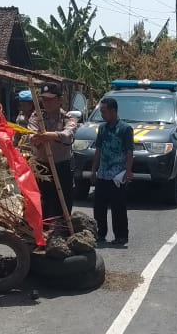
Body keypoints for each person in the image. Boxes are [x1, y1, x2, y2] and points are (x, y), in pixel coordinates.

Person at [27, 82, 77, 230]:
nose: (46, 103)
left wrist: (52, 135)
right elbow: (31, 136)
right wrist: (40, 138)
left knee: (63, 203)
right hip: (42, 167)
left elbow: (68, 136)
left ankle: (62, 232)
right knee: (43, 202)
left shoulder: (67, 118)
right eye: (44, 99)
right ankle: (42, 233)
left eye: (50, 99)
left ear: (60, 100)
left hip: (62, 166)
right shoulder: (37, 117)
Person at [89, 97, 134, 246]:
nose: (102, 114)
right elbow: (98, 150)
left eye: (104, 111)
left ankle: (121, 236)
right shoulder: (102, 128)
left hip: (117, 175)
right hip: (103, 174)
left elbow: (129, 151)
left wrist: (128, 171)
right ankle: (100, 234)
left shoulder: (125, 129)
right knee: (99, 207)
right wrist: (94, 170)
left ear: (113, 111)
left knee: (118, 207)